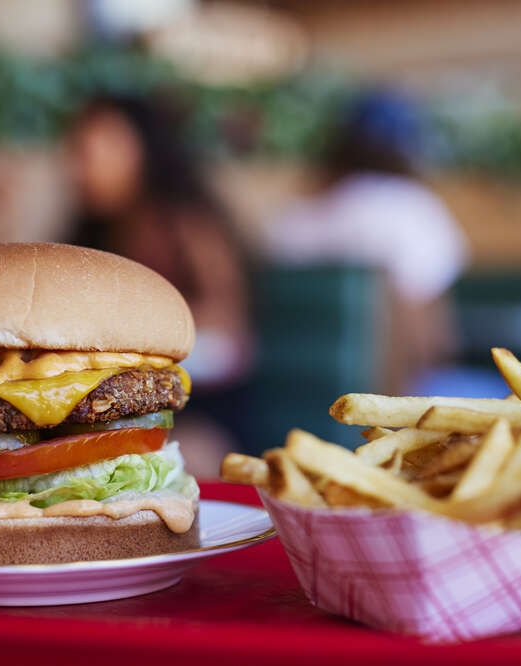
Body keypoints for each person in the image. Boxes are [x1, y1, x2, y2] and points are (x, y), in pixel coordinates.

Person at [67, 95, 253, 476]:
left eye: (99, 149)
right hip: (106, 410)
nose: (82, 167)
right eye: (77, 152)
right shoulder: (88, 237)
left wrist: (125, 335)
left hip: (202, 407)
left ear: (143, 149)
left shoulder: (187, 223)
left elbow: (228, 321)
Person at [264, 91, 469, 395]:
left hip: (288, 402)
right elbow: (429, 339)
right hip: (392, 409)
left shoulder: (289, 220)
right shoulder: (412, 208)